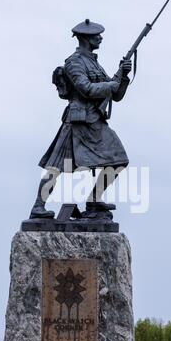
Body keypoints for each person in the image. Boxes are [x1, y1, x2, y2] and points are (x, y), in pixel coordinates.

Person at [30, 19, 132, 219]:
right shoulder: (74, 62)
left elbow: (115, 96)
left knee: (119, 159)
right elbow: (86, 89)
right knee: (56, 165)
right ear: (86, 38)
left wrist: (124, 77)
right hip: (77, 120)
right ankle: (38, 207)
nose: (101, 38)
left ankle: (94, 200)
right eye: (97, 35)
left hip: (95, 120)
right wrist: (112, 83)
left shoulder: (94, 62)